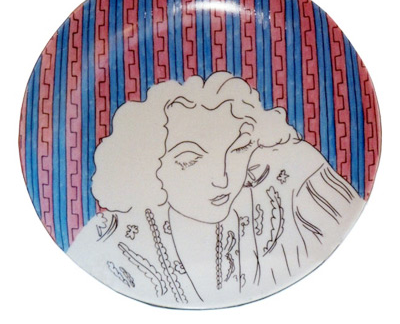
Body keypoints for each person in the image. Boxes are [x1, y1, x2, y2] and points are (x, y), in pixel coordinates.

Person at [67, 72, 364, 309]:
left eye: (238, 149)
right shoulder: (109, 245)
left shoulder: (291, 184)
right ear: (150, 165)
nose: (222, 178)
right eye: (190, 159)